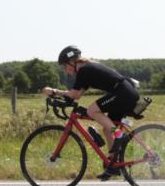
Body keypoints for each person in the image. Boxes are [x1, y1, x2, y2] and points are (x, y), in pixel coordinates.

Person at [41, 46, 140, 179]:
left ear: (72, 62)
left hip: (123, 93)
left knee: (92, 110)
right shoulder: (87, 69)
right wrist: (60, 95)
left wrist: (54, 91)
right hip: (124, 93)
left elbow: (74, 94)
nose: (66, 70)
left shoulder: (85, 70)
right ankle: (113, 165)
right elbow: (76, 94)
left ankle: (119, 135)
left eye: (65, 66)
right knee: (106, 129)